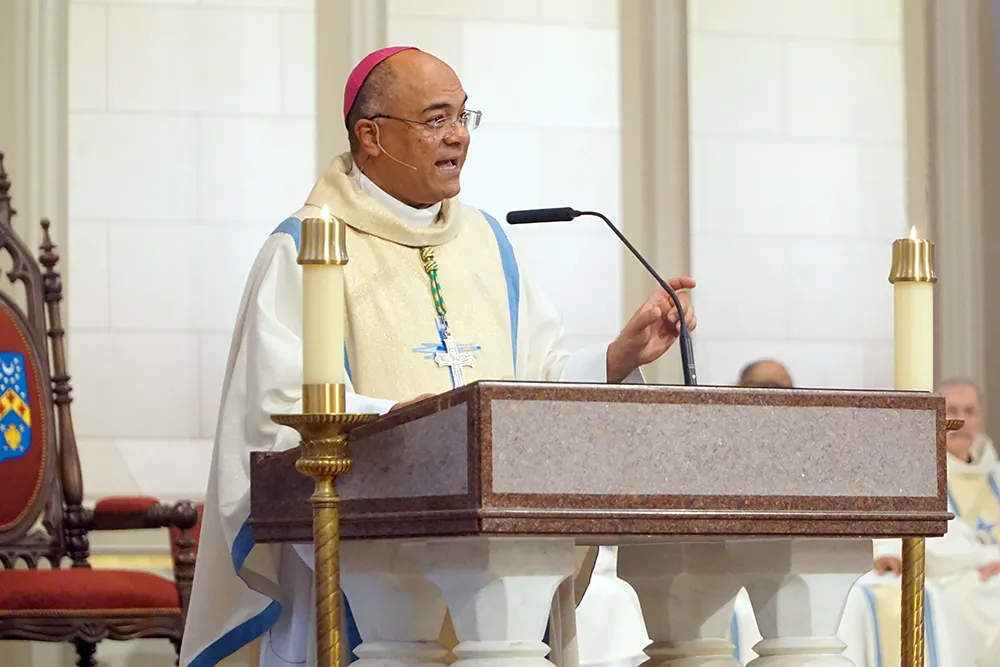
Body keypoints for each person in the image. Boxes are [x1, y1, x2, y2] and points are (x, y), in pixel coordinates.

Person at [179, 46, 697, 667]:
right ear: (371, 135)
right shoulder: (305, 247)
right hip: (366, 577)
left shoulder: (488, 243)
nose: (457, 137)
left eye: (463, 117)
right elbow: (277, 414)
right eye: (435, 119)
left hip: (501, 580)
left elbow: (536, 386)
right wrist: (401, 420)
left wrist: (615, 358)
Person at [871, 378, 1000, 666]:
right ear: (934, 416)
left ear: (982, 419)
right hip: (948, 580)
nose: (960, 419)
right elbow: (897, 536)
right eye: (951, 409)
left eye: (969, 410)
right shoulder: (915, 473)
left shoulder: (996, 476)